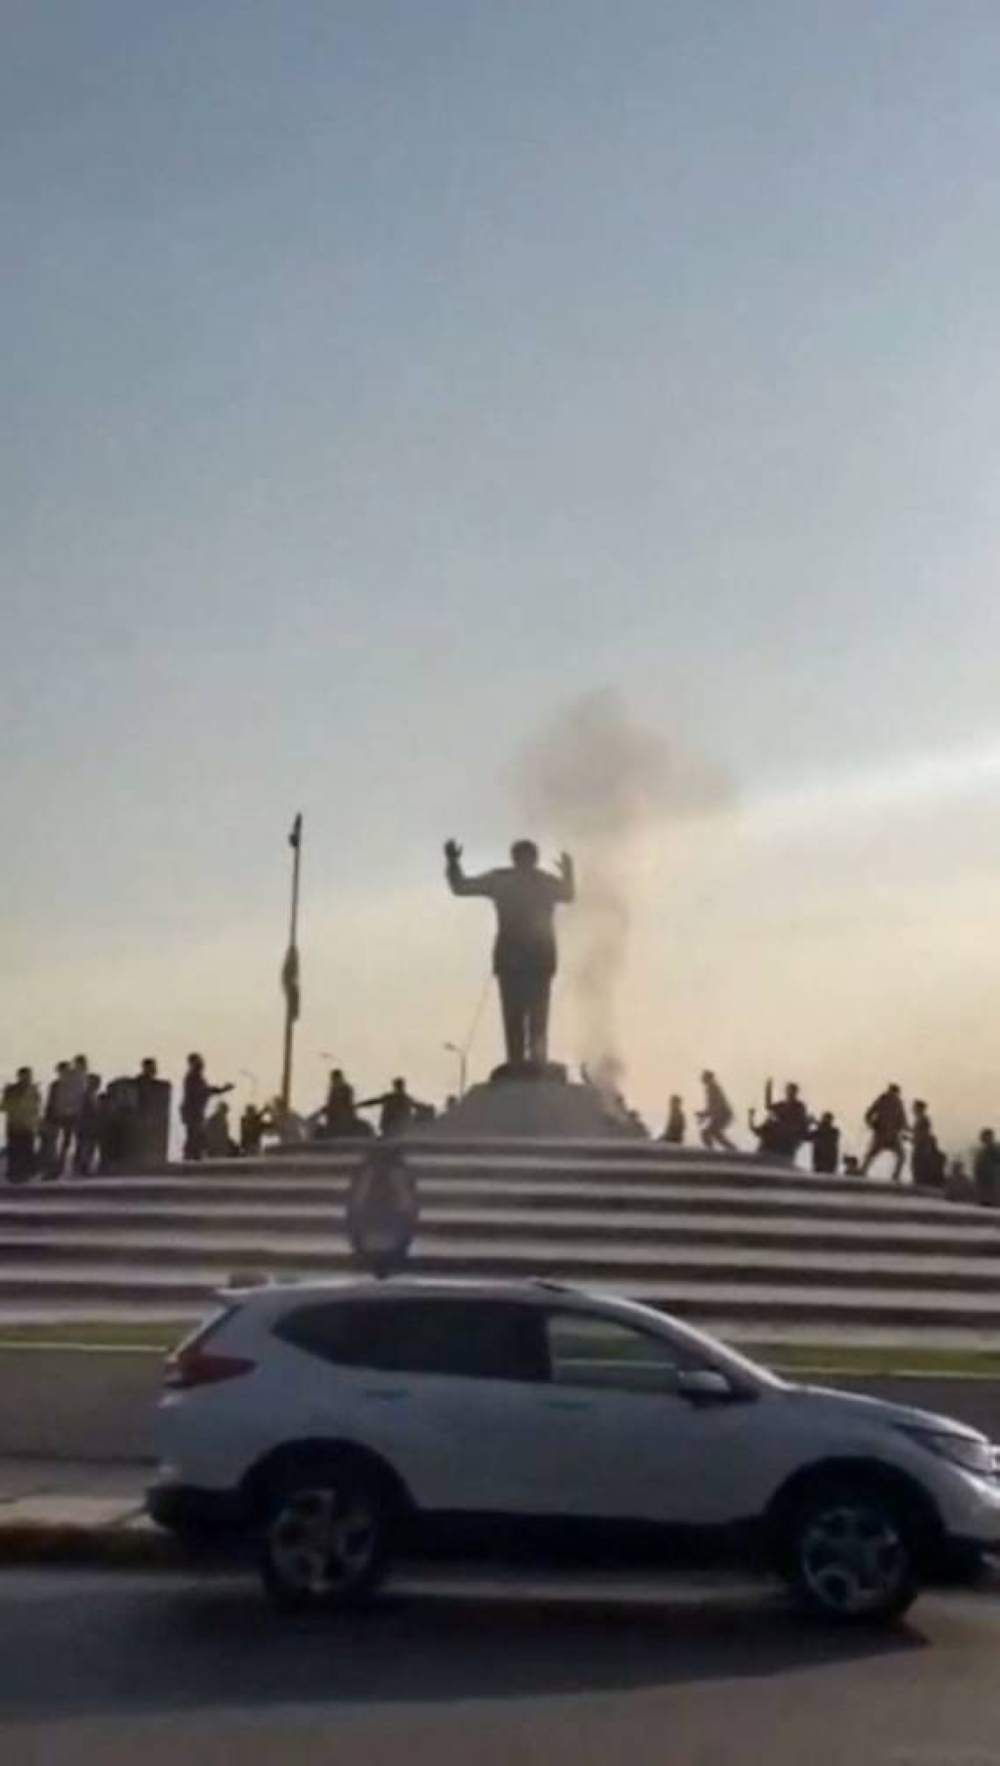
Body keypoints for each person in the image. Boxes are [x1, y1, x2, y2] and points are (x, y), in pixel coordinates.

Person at [445, 837, 575, 1068]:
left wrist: (453, 862)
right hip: (534, 956)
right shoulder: (541, 882)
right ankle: (534, 1061)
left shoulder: (503, 880)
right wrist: (568, 872)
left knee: (518, 1014)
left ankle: (523, 1061)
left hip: (517, 956)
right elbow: (568, 893)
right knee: (534, 1014)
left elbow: (461, 886)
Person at [181, 1054, 233, 1162]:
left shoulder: (196, 1076)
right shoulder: (192, 1077)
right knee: (194, 1132)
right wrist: (220, 1089)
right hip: (192, 1109)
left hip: (196, 1109)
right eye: (199, 1062)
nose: (202, 1064)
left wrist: (221, 1089)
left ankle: (193, 1155)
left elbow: (205, 1090)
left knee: (194, 1133)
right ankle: (191, 1155)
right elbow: (202, 1091)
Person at [861, 1084, 908, 1183]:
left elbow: (902, 1120)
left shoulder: (898, 1103)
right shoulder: (883, 1100)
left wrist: (903, 1131)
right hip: (882, 1134)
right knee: (872, 1154)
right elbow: (869, 1114)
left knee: (901, 1156)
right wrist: (873, 1125)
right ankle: (863, 1171)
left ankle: (895, 1175)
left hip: (892, 1135)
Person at [2, 1067, 41, 1182]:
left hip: (26, 1125)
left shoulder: (32, 1090)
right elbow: (4, 1107)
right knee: (17, 1150)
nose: (28, 1078)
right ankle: (16, 1173)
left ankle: (24, 1173)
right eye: (26, 1076)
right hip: (16, 1124)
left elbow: (37, 1107)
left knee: (25, 1149)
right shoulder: (12, 1090)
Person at [357, 1078, 425, 1138]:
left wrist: (359, 1105)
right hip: (391, 1127)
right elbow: (373, 1101)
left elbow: (374, 1101)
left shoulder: (403, 1098)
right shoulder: (401, 1098)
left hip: (398, 1128)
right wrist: (359, 1105)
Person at [764, 1079, 811, 1163]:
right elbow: (768, 1107)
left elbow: (801, 1122)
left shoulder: (799, 1106)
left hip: (790, 1139)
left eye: (792, 1091)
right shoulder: (782, 1105)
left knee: (787, 1160)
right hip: (779, 1138)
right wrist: (768, 1090)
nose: (790, 1093)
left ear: (796, 1093)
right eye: (789, 1091)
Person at [697, 1070, 736, 1152]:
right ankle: (732, 1150)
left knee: (708, 1133)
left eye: (704, 1077)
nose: (702, 1080)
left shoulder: (713, 1088)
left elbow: (715, 1106)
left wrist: (703, 1116)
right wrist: (703, 1115)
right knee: (714, 1133)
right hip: (721, 1115)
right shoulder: (711, 1088)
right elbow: (711, 1107)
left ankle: (712, 1151)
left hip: (723, 1114)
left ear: (708, 1078)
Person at [910, 1100, 945, 1190]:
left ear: (919, 1108)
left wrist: (913, 1139)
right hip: (920, 1145)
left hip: (922, 1147)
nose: (913, 1109)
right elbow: (916, 1133)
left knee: (918, 1167)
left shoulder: (924, 1119)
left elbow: (923, 1134)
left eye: (915, 1107)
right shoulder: (919, 1119)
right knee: (916, 1166)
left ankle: (920, 1186)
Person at [74, 1074, 104, 1176]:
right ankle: (83, 1168)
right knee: (86, 1147)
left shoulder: (92, 1095)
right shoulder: (86, 1095)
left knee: (88, 1147)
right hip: (87, 1126)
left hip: (90, 1126)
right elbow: (82, 1111)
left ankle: (84, 1167)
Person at [324, 1069, 358, 1138]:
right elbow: (330, 1103)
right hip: (333, 1118)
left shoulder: (346, 1089)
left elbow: (348, 1103)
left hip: (345, 1117)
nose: (333, 1081)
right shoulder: (333, 1090)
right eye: (333, 1079)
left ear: (340, 1078)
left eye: (335, 1079)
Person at [973, 1129, 1000, 1207]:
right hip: (983, 1181)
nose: (982, 1138)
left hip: (991, 1181)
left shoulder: (995, 1148)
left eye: (984, 1136)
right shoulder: (982, 1150)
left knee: (991, 1202)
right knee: (984, 1202)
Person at [809, 1111, 841, 1176]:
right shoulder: (818, 1131)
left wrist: (815, 1122)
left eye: (826, 1119)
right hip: (819, 1161)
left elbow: (826, 1133)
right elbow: (807, 1136)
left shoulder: (834, 1131)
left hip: (828, 1162)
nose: (824, 1121)